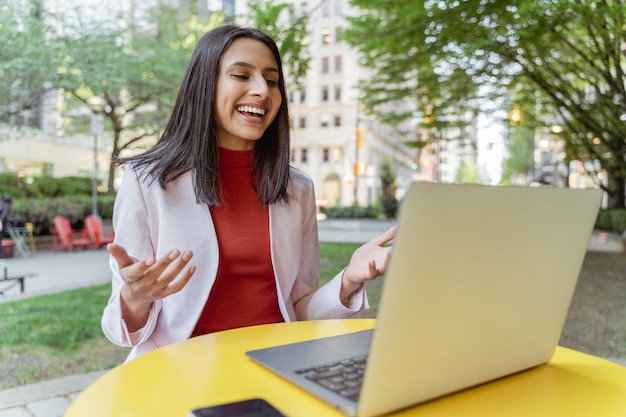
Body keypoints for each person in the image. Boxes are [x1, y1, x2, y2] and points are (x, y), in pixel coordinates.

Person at [101, 25, 396, 362]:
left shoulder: (298, 189)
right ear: (205, 84)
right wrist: (135, 297)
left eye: (272, 81)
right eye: (241, 75)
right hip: (180, 371)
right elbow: (120, 331)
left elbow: (297, 310)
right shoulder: (147, 181)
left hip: (278, 365)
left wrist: (348, 279)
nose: (261, 90)